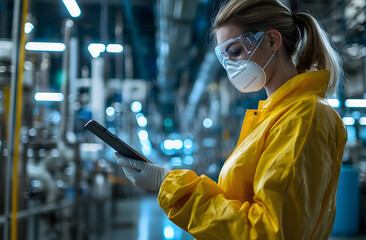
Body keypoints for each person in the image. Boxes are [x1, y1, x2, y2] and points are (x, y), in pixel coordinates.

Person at [113, 0, 347, 239]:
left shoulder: (303, 118)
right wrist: (167, 181)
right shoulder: (273, 116)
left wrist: (168, 185)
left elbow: (267, 231)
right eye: (224, 57)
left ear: (272, 40)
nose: (232, 66)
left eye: (235, 51)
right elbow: (235, 203)